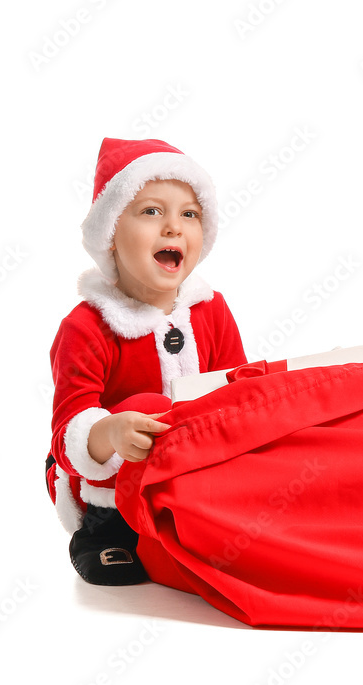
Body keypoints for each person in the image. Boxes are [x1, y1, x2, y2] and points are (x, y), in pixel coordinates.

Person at [45, 137, 247, 585]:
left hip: (191, 473)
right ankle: (102, 535)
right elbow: (67, 434)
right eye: (152, 211)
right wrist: (110, 433)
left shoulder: (211, 311)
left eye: (189, 214)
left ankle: (200, 521)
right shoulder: (87, 327)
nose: (173, 227)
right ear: (111, 234)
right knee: (149, 406)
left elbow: (238, 391)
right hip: (109, 485)